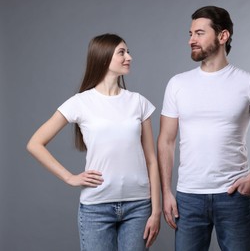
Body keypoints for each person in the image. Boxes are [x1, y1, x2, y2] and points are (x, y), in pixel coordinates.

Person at [157, 5, 250, 251]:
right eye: (190, 33)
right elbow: (166, 141)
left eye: (199, 33)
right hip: (188, 197)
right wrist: (166, 192)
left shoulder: (248, 83)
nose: (191, 40)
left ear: (222, 36)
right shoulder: (177, 84)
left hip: (233, 197)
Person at [27, 33, 161, 251]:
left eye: (128, 52)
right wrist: (69, 177)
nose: (129, 57)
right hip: (96, 209)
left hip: (139, 207)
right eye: (122, 52)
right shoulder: (80, 102)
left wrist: (155, 212)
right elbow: (35, 143)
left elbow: (152, 161)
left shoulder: (138, 102)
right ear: (104, 57)